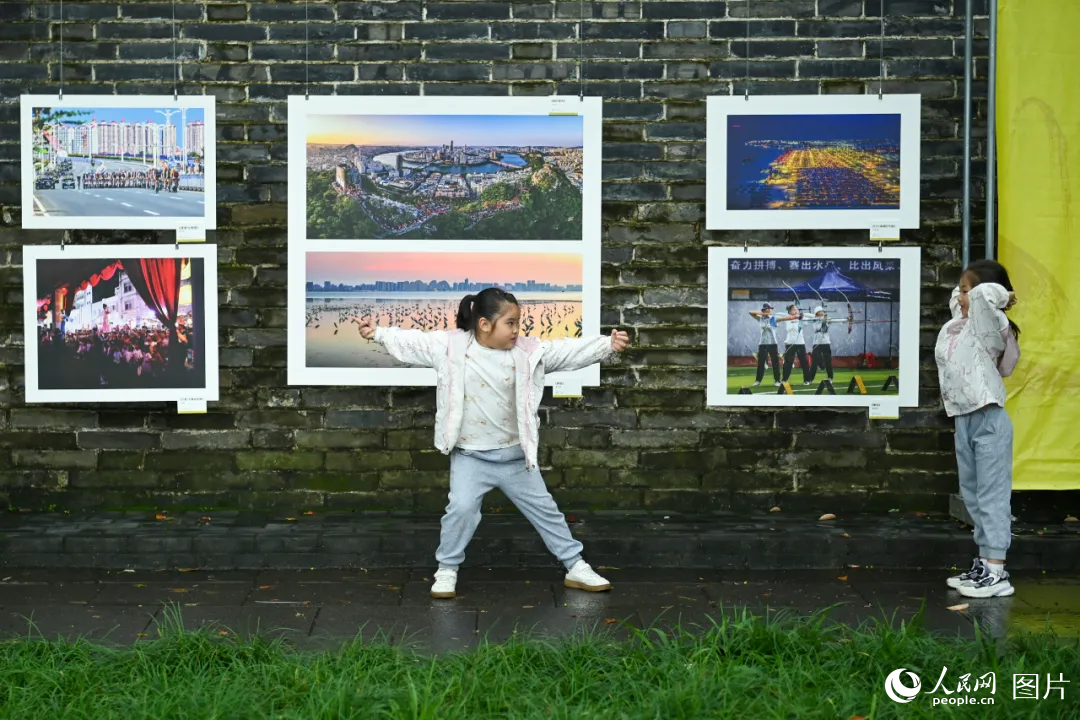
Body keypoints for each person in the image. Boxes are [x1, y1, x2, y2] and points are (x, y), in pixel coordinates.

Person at [357, 287, 630, 599]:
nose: (517, 330)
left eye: (518, 323)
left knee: (546, 510)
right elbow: (412, 341)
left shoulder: (528, 352)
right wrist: (377, 333)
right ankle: (447, 569)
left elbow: (566, 351)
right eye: (510, 323)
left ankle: (575, 566)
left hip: (515, 457)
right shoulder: (450, 347)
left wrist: (607, 345)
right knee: (460, 509)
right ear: (485, 324)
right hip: (471, 457)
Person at [935, 259, 1021, 599]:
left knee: (991, 495)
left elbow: (985, 294)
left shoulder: (989, 322)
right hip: (964, 417)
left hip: (989, 417)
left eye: (966, 289)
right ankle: (984, 562)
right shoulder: (961, 322)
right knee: (971, 493)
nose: (961, 295)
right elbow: (962, 297)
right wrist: (965, 291)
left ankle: (997, 570)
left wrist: (1003, 294)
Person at [806, 306, 848, 384]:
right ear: (817, 313)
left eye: (822, 311)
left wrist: (846, 320)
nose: (822, 313)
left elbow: (837, 321)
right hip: (816, 343)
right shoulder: (814, 319)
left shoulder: (827, 319)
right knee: (814, 362)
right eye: (820, 312)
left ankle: (830, 377)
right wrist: (814, 316)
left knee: (828, 361)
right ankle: (810, 379)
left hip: (826, 343)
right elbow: (807, 315)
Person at [747, 302, 781, 387]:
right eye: (768, 308)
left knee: (775, 363)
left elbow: (782, 319)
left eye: (770, 308)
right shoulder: (760, 318)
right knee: (761, 363)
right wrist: (763, 314)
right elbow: (750, 312)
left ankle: (777, 380)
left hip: (773, 343)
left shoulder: (773, 318)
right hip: (762, 343)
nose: (770, 310)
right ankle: (758, 381)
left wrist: (768, 315)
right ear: (764, 309)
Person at [779, 303, 811, 386]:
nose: (796, 310)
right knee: (788, 362)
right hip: (790, 343)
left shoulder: (801, 318)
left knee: (804, 362)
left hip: (800, 343)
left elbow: (807, 322)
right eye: (793, 309)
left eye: (796, 309)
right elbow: (781, 318)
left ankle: (807, 380)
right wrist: (794, 317)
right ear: (789, 311)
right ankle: (784, 380)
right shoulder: (787, 318)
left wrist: (802, 316)